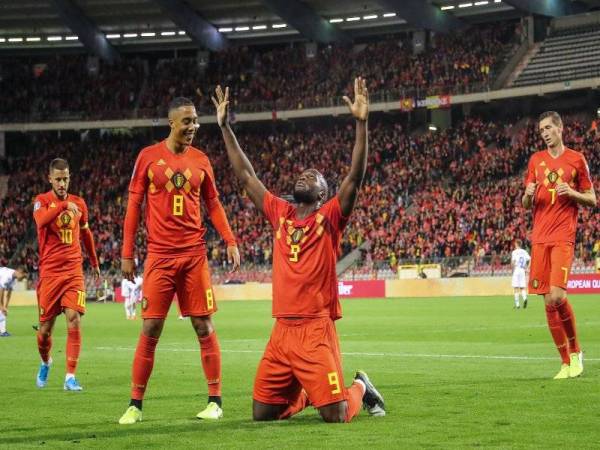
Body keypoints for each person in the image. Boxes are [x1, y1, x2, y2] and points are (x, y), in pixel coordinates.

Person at [212, 77, 385, 423]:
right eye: (304, 173)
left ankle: (361, 387)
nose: (306, 175)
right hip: (281, 332)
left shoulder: (331, 216)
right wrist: (225, 128)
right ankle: (310, 392)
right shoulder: (280, 213)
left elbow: (355, 176)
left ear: (323, 194)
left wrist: (361, 124)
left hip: (315, 329)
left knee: (336, 415)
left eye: (315, 176)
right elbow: (246, 176)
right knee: (263, 415)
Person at [118, 97, 240, 425]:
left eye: (196, 121)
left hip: (193, 256)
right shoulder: (147, 157)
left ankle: (215, 401)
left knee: (204, 325)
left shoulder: (201, 160)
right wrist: (127, 253)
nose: (193, 127)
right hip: (159, 256)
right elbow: (133, 207)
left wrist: (229, 240)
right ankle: (135, 404)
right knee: (151, 326)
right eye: (187, 121)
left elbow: (213, 204)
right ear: (172, 123)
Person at [522, 111, 596, 379]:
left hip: (563, 236)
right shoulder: (536, 161)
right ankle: (565, 362)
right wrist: (527, 196)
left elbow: (592, 199)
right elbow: (526, 203)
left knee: (558, 297)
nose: (544, 132)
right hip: (539, 238)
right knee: (547, 303)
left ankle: (576, 351)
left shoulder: (576, 159)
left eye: (549, 128)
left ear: (560, 129)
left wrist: (572, 193)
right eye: (541, 129)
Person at [33, 158, 100, 390]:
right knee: (44, 331)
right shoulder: (41, 201)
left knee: (74, 319)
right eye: (58, 179)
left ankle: (70, 376)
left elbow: (86, 233)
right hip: (50, 274)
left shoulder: (79, 203)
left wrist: (94, 260)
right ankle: (46, 361)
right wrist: (61, 206)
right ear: (50, 178)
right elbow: (41, 222)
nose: (63, 183)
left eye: (66, 178)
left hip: (73, 271)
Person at [0, 266, 28, 336]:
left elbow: (9, 294)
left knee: (2, 312)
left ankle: (3, 332)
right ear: (20, 272)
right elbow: (1, 292)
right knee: (1, 310)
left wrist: (5, 307)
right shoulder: (7, 276)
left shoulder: (13, 279)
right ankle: (3, 332)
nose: (23, 279)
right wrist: (1, 306)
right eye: (23, 277)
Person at [510, 240, 530, 309]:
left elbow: (513, 262)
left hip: (517, 269)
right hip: (522, 270)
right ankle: (525, 298)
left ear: (516, 244)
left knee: (516, 287)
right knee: (522, 287)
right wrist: (527, 268)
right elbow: (530, 259)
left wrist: (512, 270)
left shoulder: (514, 252)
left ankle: (517, 305)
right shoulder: (524, 251)